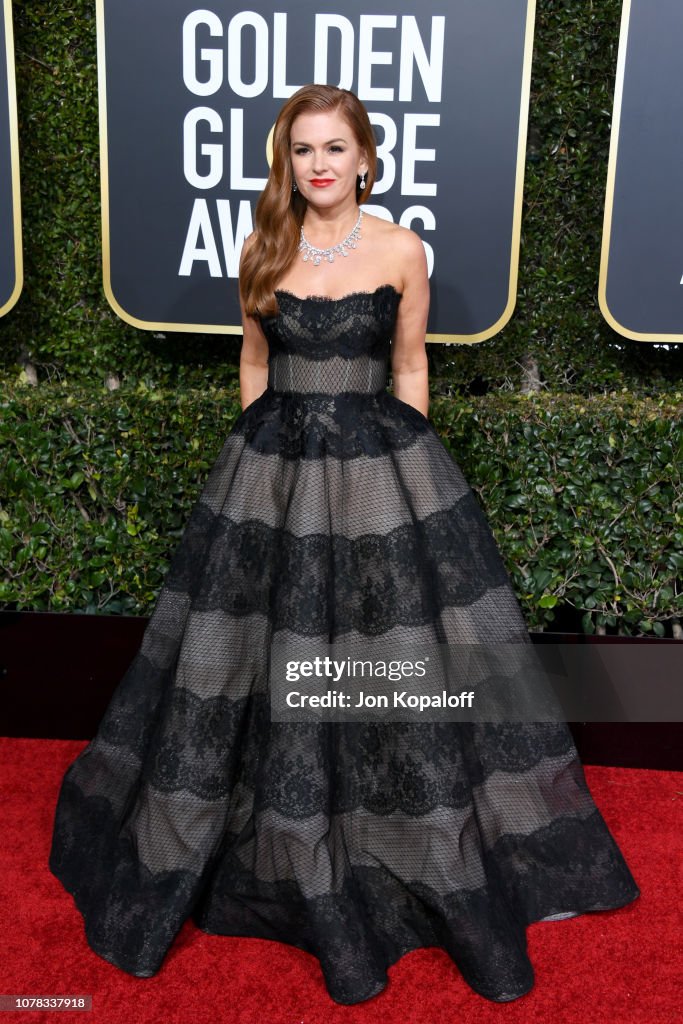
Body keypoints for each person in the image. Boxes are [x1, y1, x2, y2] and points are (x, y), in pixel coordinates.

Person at [49, 84, 639, 1005]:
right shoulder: (262, 249)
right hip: (271, 475)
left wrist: (401, 476)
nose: (318, 165)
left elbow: (409, 363)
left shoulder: (400, 248)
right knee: (258, 653)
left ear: (366, 156)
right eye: (301, 151)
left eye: (334, 148)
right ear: (285, 163)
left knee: (387, 649)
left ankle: (397, 835)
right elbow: (254, 366)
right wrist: (255, 484)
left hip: (379, 469)